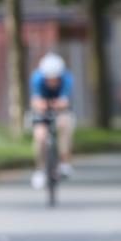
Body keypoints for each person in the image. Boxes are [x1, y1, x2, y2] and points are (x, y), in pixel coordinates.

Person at [30, 53, 75, 189]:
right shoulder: (37, 79)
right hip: (42, 109)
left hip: (61, 109)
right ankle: (40, 169)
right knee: (40, 137)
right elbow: (35, 101)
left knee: (64, 125)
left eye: (55, 79)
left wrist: (57, 104)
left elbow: (65, 101)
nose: (52, 81)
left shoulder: (67, 79)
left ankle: (64, 162)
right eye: (49, 79)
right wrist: (41, 105)